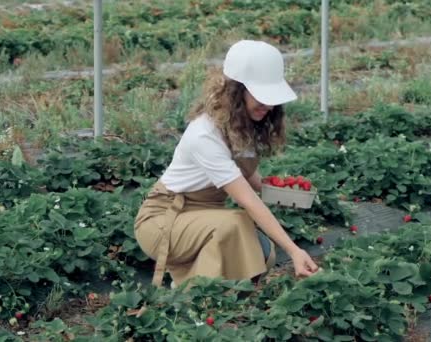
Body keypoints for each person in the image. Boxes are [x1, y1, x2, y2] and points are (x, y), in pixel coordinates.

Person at [134, 40, 319, 288]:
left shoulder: (240, 127)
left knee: (262, 249)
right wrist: (294, 250)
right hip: (164, 221)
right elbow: (247, 200)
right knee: (236, 224)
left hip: (200, 218)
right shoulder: (205, 134)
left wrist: (286, 195)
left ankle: (220, 301)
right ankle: (193, 299)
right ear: (235, 92)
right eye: (261, 96)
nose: (269, 105)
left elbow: (252, 183)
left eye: (272, 98)